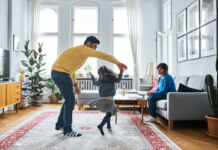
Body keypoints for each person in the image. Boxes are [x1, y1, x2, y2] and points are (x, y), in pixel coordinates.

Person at [51, 36, 127, 137]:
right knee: (70, 101)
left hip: (60, 73)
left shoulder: (80, 53)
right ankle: (67, 130)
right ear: (88, 43)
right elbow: (102, 55)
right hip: (62, 74)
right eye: (94, 46)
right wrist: (117, 62)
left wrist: (75, 85)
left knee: (68, 100)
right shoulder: (84, 50)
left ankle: (60, 125)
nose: (95, 49)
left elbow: (72, 69)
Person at [88, 66, 123, 135]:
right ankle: (100, 125)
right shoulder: (112, 78)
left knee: (108, 111)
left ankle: (108, 125)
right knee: (111, 112)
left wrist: (91, 75)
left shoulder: (101, 81)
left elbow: (95, 83)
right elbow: (119, 80)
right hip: (109, 99)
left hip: (103, 99)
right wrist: (121, 72)